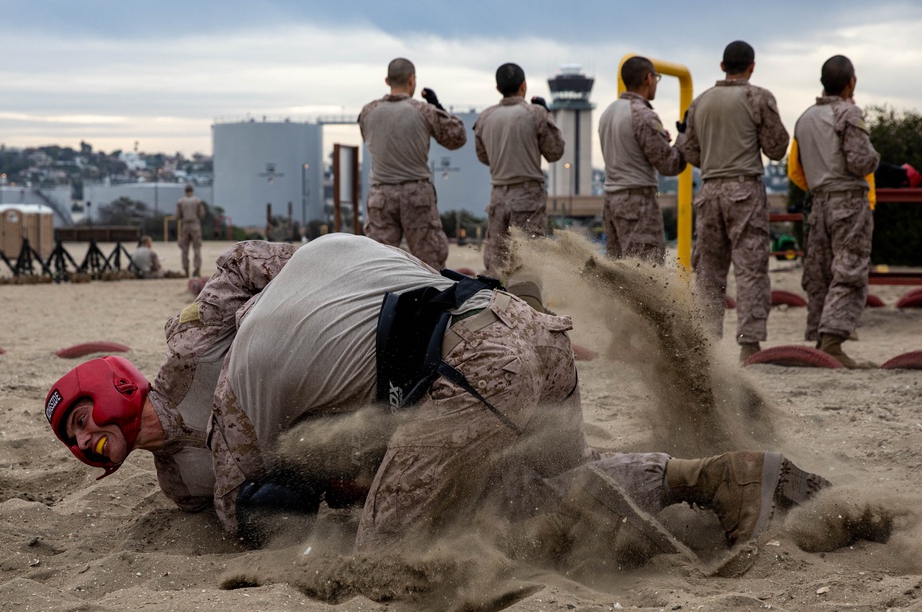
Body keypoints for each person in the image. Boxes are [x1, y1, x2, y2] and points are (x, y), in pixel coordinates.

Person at [46, 234, 838, 568]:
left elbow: (246, 497)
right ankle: (717, 480)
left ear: (111, 384)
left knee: (384, 564)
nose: (85, 441)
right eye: (74, 439)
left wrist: (305, 282)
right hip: (513, 338)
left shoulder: (201, 360)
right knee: (534, 491)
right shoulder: (176, 476)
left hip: (454, 365)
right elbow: (227, 497)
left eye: (81, 418)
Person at [681, 41, 790, 362]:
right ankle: (749, 343)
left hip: (710, 190)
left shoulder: (699, 102)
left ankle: (706, 342)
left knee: (709, 273)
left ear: (721, 65)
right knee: (751, 269)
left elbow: (688, 151)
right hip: (745, 190)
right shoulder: (758, 97)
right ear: (752, 66)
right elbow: (776, 148)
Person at [791, 56, 880, 369]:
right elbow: (861, 161)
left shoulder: (804, 118)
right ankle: (833, 340)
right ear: (851, 82)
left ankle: (818, 335)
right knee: (850, 269)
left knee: (820, 272)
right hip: (849, 202)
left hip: (818, 203)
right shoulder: (848, 113)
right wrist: (876, 156)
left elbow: (797, 167)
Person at [359, 57, 467, 270]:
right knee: (430, 262)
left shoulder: (367, 112)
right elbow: (457, 137)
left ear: (387, 80)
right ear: (412, 80)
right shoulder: (423, 110)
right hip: (417, 194)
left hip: (381, 195)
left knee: (376, 264)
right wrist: (437, 106)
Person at [473, 63, 565, 279]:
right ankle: (529, 308)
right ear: (524, 85)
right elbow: (555, 152)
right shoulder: (536, 113)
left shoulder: (485, 117)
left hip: (497, 196)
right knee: (528, 261)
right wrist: (548, 115)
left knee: (496, 262)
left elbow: (483, 156)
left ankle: (495, 307)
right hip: (527, 196)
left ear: (498, 88)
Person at [598, 56, 688, 264]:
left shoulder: (608, 112)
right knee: (646, 274)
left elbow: (630, 149)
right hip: (638, 203)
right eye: (656, 78)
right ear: (649, 78)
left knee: (619, 276)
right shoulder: (643, 115)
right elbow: (670, 164)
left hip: (612, 201)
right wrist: (683, 137)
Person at [176, 184, 206, 277]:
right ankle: (197, 269)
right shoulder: (197, 201)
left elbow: (178, 215)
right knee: (196, 248)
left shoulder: (180, 201)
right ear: (192, 191)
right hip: (195, 225)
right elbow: (201, 214)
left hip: (185, 225)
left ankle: (186, 270)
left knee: (184, 249)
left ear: (185, 191)